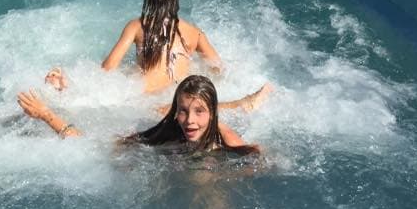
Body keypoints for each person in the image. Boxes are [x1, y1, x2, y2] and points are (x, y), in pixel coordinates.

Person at [101, 0, 272, 105]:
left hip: (147, 100)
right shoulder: (195, 33)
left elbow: (108, 68)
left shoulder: (137, 26)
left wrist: (126, 74)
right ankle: (240, 102)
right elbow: (218, 69)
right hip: (179, 99)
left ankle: (241, 104)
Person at [18, 73, 261, 155]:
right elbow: (93, 146)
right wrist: (47, 116)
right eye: (183, 112)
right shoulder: (168, 133)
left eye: (199, 112)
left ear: (212, 115)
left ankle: (247, 103)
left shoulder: (226, 141)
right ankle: (66, 92)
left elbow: (259, 159)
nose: (190, 121)